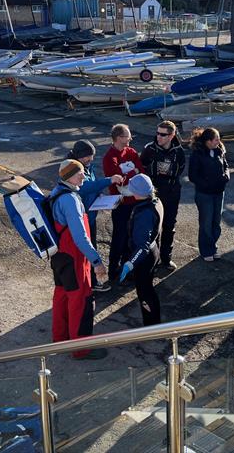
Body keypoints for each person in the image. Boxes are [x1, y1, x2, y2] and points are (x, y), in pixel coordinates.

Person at [49, 159, 109, 360]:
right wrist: (97, 262)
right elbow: (80, 237)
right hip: (74, 259)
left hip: (59, 256)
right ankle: (81, 349)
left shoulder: (57, 192)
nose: (84, 176)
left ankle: (60, 339)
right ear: (68, 176)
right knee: (81, 302)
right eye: (79, 173)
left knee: (62, 296)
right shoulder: (70, 200)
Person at [68, 139, 123, 293]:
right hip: (82, 219)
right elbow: (84, 187)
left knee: (91, 248)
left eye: (91, 155)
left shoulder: (86, 166)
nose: (90, 159)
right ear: (78, 155)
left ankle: (90, 281)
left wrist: (100, 195)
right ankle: (88, 283)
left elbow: (93, 183)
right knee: (87, 250)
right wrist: (109, 181)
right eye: (87, 156)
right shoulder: (72, 169)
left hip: (90, 217)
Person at [140, 121, 186, 272]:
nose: (158, 137)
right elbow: (141, 168)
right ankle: (153, 260)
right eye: (157, 133)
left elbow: (180, 169)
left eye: (163, 134)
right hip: (154, 192)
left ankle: (166, 259)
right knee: (153, 227)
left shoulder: (178, 151)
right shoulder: (149, 149)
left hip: (172, 192)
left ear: (171, 136)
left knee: (169, 225)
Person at [120, 174, 164, 326]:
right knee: (149, 289)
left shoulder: (144, 213)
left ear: (137, 192)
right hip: (154, 250)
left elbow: (142, 247)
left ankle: (151, 327)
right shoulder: (155, 201)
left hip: (144, 258)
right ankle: (154, 323)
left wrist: (130, 263)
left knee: (144, 293)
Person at [102, 124, 143, 282]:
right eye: (127, 136)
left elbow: (141, 172)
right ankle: (113, 271)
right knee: (119, 238)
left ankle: (127, 269)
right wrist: (133, 172)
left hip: (135, 202)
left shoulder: (131, 152)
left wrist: (128, 174)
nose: (130, 139)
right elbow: (118, 181)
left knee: (131, 238)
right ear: (118, 138)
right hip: (120, 204)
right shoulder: (109, 158)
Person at [188, 127, 230, 262]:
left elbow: (226, 166)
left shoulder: (219, 150)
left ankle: (213, 247)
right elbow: (193, 175)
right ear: (208, 141)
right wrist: (207, 184)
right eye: (216, 139)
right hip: (204, 195)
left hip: (219, 192)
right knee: (206, 222)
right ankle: (206, 250)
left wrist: (226, 176)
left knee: (216, 221)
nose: (219, 141)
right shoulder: (197, 154)